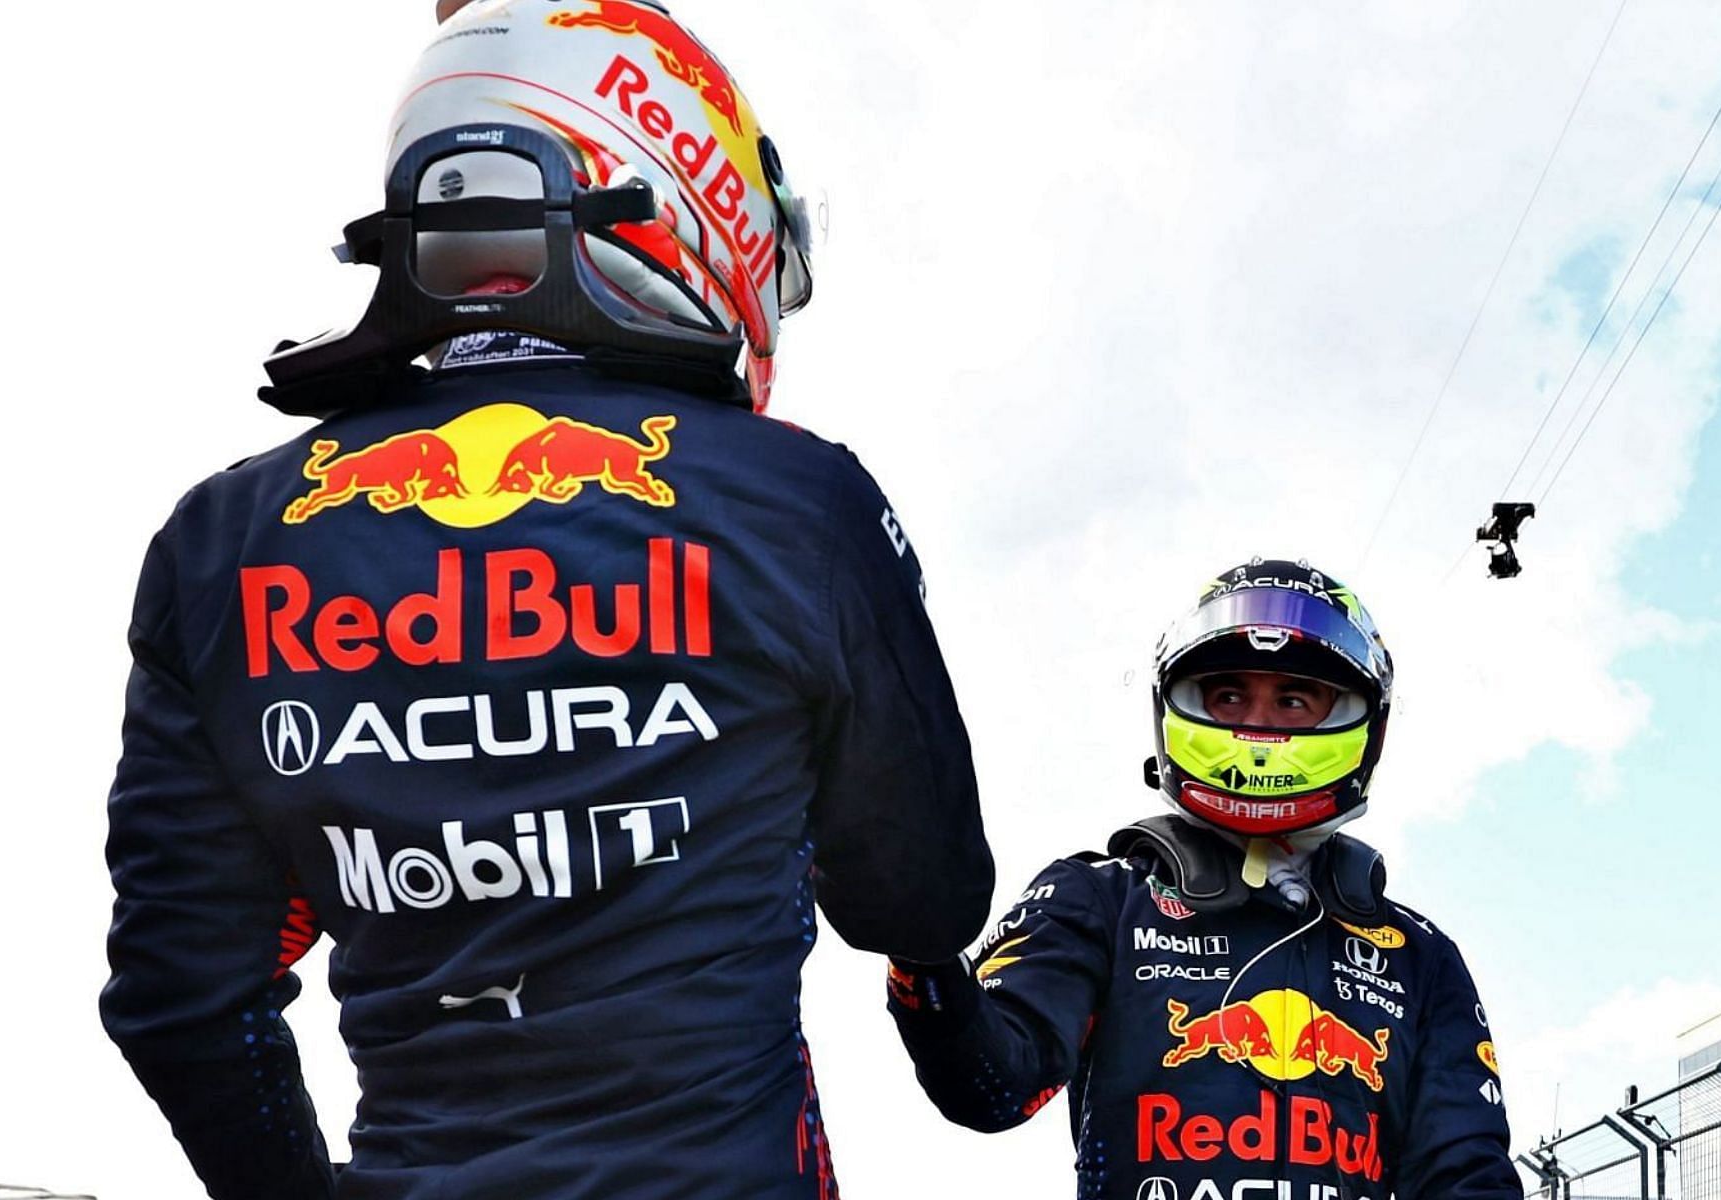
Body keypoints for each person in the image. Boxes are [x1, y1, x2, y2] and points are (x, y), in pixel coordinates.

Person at [99, 3, 993, 1197]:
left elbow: (181, 1000)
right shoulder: (800, 501)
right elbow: (920, 896)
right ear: (687, 186)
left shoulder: (222, 538)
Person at [886, 558, 1521, 1200]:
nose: (1261, 725)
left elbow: (1467, 1177)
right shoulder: (1101, 898)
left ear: (1364, 723)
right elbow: (992, 1087)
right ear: (1177, 708)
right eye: (1229, 695)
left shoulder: (1417, 954)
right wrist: (925, 952)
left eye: (1294, 699)